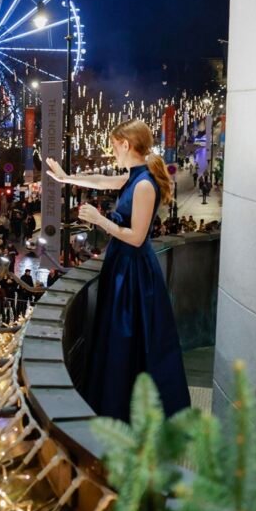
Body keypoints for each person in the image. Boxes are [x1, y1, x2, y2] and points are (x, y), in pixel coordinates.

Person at [45, 118, 190, 422]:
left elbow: (137, 238)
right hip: (124, 268)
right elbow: (100, 180)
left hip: (133, 271)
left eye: (113, 146)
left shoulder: (144, 185)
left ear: (125, 144)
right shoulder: (136, 178)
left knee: (128, 339)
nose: (113, 153)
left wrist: (100, 221)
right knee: (128, 339)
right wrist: (66, 178)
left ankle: (125, 409)